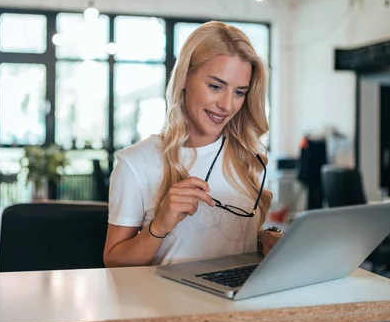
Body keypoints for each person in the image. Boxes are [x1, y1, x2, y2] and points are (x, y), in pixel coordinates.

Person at [103, 21, 282, 267]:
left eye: (239, 92)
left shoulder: (246, 157)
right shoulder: (136, 163)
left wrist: (263, 239)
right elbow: (114, 262)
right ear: (185, 78)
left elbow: (233, 239)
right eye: (216, 86)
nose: (227, 105)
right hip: (169, 304)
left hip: (241, 302)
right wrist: (159, 225)